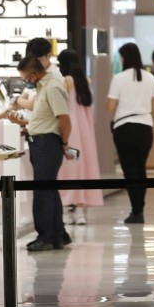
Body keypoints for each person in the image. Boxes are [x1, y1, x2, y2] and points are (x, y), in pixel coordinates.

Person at [17, 55, 73, 252]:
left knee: (43, 192)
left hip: (47, 144)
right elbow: (44, 118)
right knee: (49, 191)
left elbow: (64, 120)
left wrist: (65, 143)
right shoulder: (42, 87)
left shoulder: (53, 87)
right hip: (40, 143)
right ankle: (58, 235)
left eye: (25, 78)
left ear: (34, 73)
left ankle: (46, 236)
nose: (26, 82)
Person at [106, 42, 154, 224]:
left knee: (130, 171)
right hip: (145, 128)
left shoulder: (119, 78)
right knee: (140, 168)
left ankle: (136, 210)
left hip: (124, 128)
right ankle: (139, 209)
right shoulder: (150, 78)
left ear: (124, 58)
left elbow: (110, 107)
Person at [56, 49, 103, 225]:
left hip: (71, 132)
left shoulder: (65, 81)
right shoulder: (86, 81)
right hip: (85, 134)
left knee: (68, 169)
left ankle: (69, 208)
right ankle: (81, 210)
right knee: (82, 169)